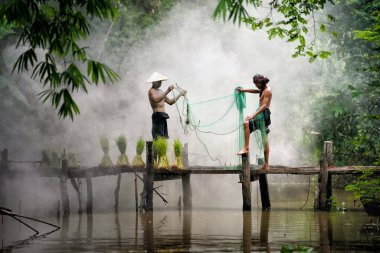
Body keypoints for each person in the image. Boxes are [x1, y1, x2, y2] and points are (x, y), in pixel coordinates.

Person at [236, 74, 272, 170]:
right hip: (261, 114)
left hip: (263, 115)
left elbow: (264, 105)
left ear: (261, 82)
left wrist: (253, 115)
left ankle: (266, 164)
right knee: (247, 124)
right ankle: (247, 148)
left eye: (256, 84)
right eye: (254, 84)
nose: (255, 86)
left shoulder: (267, 91)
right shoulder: (262, 88)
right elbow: (255, 91)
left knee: (263, 139)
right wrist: (243, 90)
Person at [147, 72, 187, 139]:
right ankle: (157, 148)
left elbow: (170, 102)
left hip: (163, 115)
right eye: (159, 81)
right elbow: (156, 100)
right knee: (158, 136)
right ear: (154, 82)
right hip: (157, 115)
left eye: (161, 81)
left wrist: (180, 94)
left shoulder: (161, 91)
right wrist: (167, 91)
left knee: (163, 136)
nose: (160, 83)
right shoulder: (151, 91)